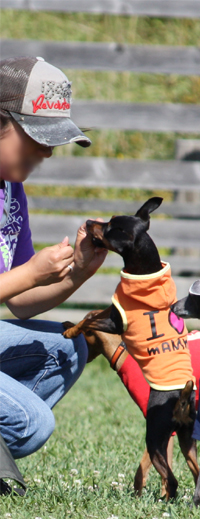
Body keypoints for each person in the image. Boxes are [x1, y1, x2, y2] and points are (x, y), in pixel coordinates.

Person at [0, 56, 107, 494]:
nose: (46, 152)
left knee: (67, 348)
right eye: (36, 138)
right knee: (30, 423)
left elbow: (19, 304)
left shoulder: (11, 189)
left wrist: (76, 272)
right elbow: (21, 281)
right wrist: (30, 271)